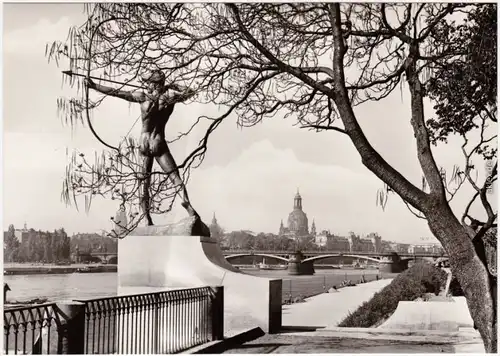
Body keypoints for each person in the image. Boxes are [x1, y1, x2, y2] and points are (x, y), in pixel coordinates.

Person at [85, 70, 198, 225]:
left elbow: (116, 92)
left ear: (152, 84)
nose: (146, 85)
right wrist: (173, 85)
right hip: (158, 141)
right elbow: (191, 92)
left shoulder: (142, 97)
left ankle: (146, 218)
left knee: (143, 181)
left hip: (144, 143)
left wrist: (94, 86)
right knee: (174, 177)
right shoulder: (170, 98)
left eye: (149, 83)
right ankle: (188, 205)